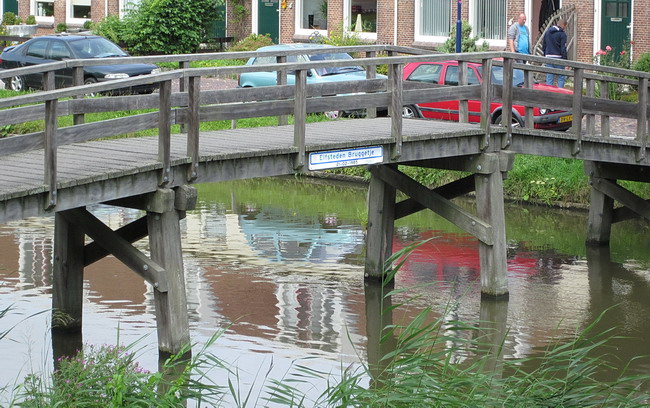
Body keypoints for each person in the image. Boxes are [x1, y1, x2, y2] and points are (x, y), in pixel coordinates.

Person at [542, 19, 568, 88]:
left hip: (548, 56)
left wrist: (545, 54)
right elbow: (563, 48)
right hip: (558, 57)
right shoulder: (562, 34)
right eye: (565, 26)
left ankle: (549, 91)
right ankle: (560, 92)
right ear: (563, 25)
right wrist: (565, 60)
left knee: (549, 76)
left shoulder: (547, 32)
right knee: (561, 76)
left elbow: (544, 45)